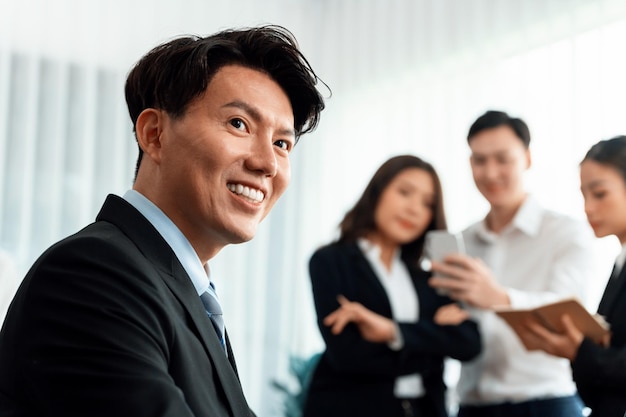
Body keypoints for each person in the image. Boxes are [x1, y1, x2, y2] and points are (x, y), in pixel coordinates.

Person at [0, 25, 325, 417]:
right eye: (239, 124)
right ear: (154, 135)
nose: (267, 163)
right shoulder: (93, 274)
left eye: (282, 144)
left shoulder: (187, 291)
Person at [429, 110, 596, 417]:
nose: (491, 173)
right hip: (471, 406)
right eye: (480, 160)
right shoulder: (463, 242)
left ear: (527, 159)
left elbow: (566, 312)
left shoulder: (566, 233)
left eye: (502, 159)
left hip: (546, 403)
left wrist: (499, 298)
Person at [303, 155, 482, 417]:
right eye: (405, 192)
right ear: (377, 192)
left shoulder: (427, 277)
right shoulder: (331, 261)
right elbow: (349, 356)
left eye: (427, 203)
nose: (414, 209)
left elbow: (469, 342)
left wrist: (391, 331)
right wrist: (433, 341)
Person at [514, 135, 626, 417]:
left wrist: (579, 350)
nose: (588, 208)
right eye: (584, 195)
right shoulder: (619, 263)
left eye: (599, 194)